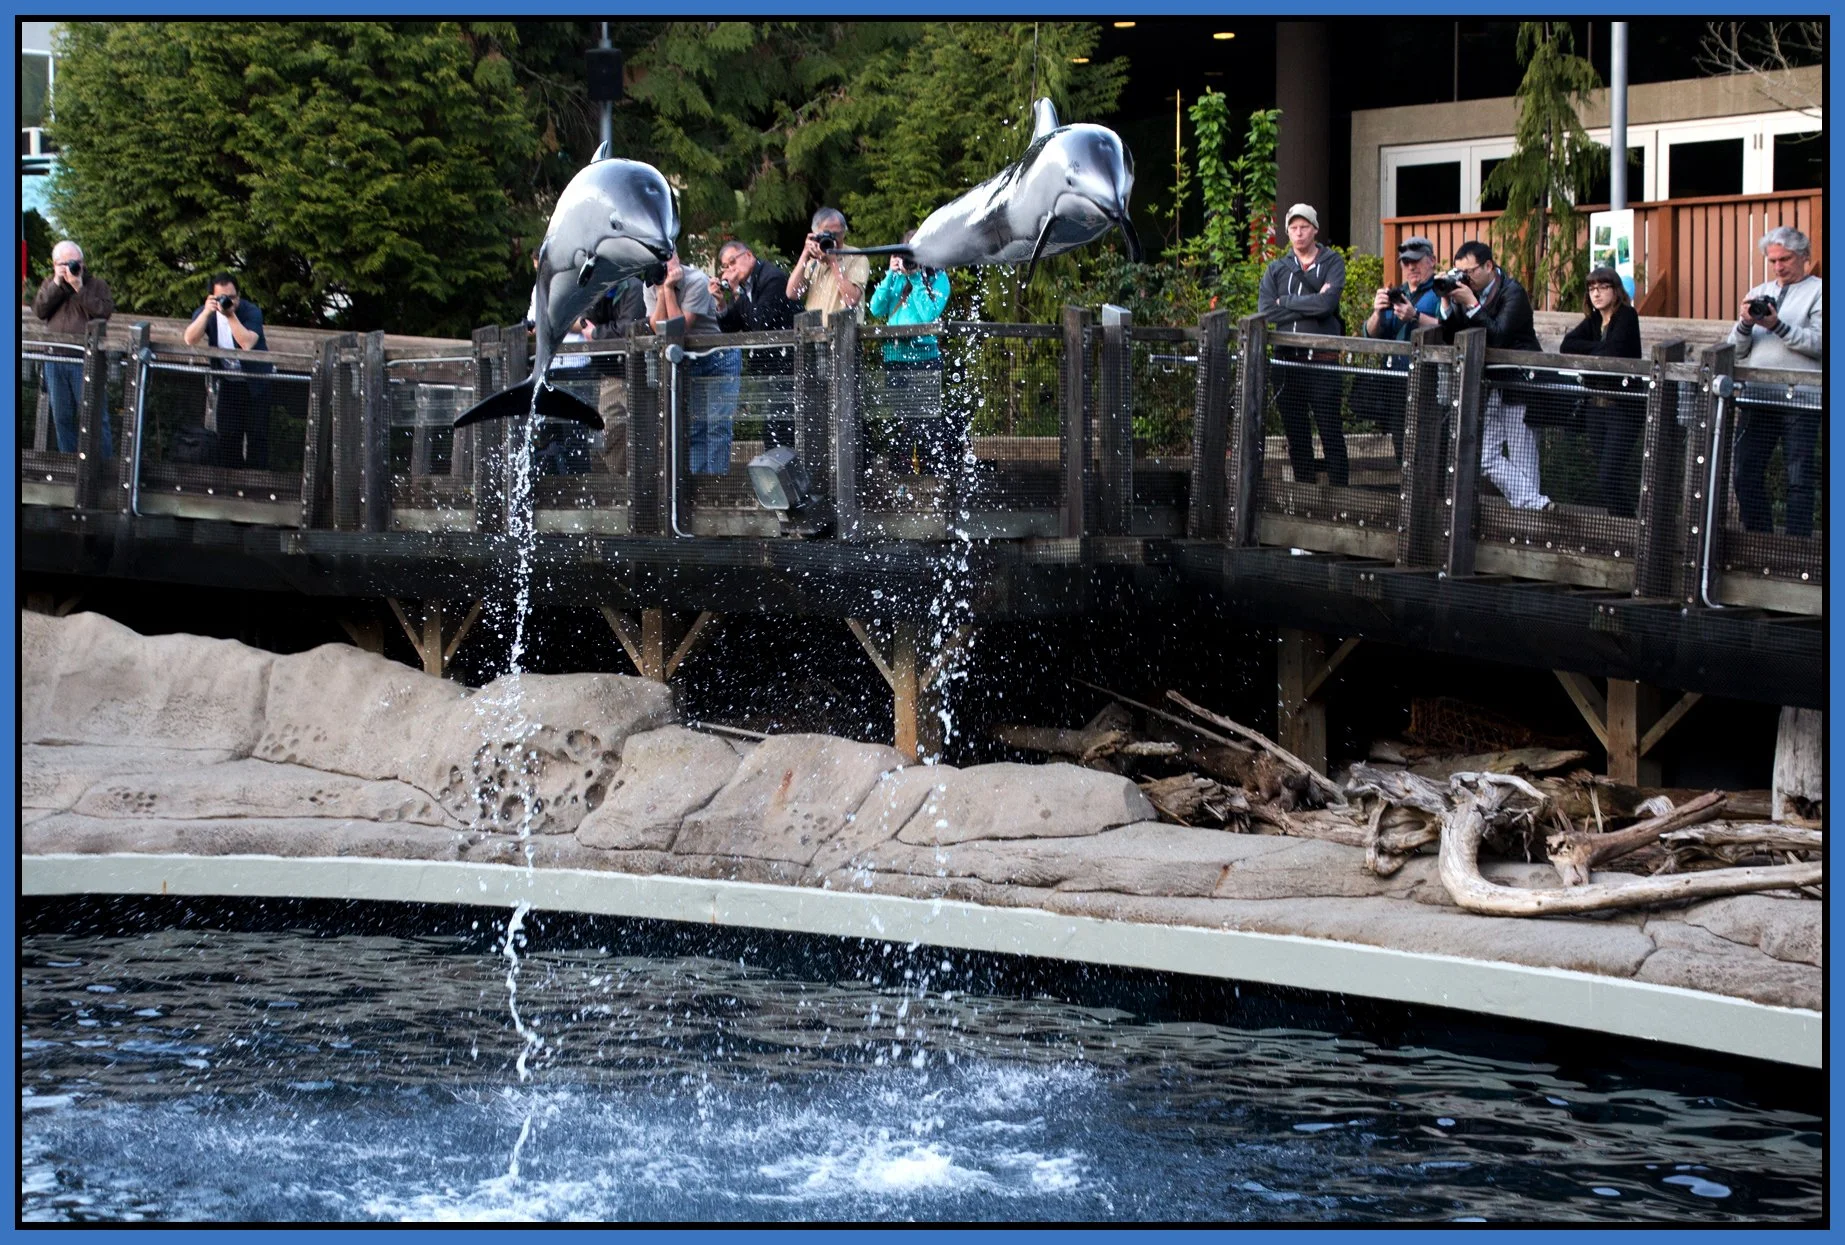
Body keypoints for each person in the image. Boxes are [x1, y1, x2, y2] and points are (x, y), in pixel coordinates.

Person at [1437, 240, 1548, 510]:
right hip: (1492, 385)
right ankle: (1537, 505)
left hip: (1519, 383)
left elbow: (1499, 334)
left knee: (1523, 458)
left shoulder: (1513, 292)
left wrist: (1472, 304)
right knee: (1486, 457)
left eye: (1470, 271)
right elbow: (1452, 337)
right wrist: (1446, 302)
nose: (1465, 278)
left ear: (1489, 265)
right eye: (1458, 272)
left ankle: (1530, 518)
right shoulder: (1467, 292)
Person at [1729, 226, 1823, 538]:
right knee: (1744, 473)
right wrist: (1745, 322)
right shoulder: (1759, 292)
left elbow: (1821, 343)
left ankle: (1797, 550)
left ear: (1805, 257)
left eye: (1786, 259)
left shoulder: (1821, 291)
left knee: (1798, 478)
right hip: (1758, 397)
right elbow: (1736, 350)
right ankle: (1761, 541)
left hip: (1802, 398)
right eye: (1773, 261)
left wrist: (1778, 325)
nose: (1779, 266)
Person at [1257, 203, 1348, 487]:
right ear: (1287, 232)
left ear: (1315, 230)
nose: (1299, 233)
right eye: (1294, 228)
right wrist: (1311, 304)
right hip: (1287, 362)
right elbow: (1267, 311)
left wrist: (1286, 301)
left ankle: (1340, 490)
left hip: (1323, 361)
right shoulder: (1276, 268)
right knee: (1295, 431)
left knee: (1330, 428)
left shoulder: (1332, 262)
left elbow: (1328, 304)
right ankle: (1304, 487)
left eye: (1304, 227)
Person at [646, 250, 741, 475]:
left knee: (717, 425)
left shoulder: (696, 281)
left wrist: (669, 289)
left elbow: (679, 328)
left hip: (719, 357)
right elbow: (659, 329)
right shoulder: (650, 284)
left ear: (677, 258)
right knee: (695, 425)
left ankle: (716, 484)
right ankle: (698, 483)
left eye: (668, 259)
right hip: (691, 360)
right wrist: (663, 289)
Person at [1559, 266, 1644, 516]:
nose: (1596, 293)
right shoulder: (1594, 320)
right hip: (1595, 407)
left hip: (1622, 406)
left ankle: (1627, 523)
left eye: (1603, 287)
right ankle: (1618, 521)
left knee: (1610, 473)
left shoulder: (1627, 316)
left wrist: (1596, 350)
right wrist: (1599, 347)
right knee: (1604, 474)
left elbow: (1614, 351)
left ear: (1616, 291)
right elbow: (1568, 345)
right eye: (1592, 288)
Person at [866, 236, 952, 475]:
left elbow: (927, 315)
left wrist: (915, 277)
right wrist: (890, 274)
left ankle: (932, 478)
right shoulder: (895, 277)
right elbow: (876, 308)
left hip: (925, 359)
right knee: (900, 424)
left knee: (927, 423)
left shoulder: (939, 278)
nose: (911, 260)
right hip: (895, 358)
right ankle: (900, 479)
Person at [711, 239, 804, 449]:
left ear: (749, 256)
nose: (730, 270)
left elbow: (761, 322)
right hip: (767, 370)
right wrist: (721, 303)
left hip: (789, 366)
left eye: (733, 262)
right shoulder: (746, 286)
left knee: (785, 429)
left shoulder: (773, 279)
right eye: (726, 267)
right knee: (770, 429)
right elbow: (730, 326)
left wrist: (737, 292)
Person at [31, 240, 115, 457]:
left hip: (86, 359)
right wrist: (57, 284)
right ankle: (68, 464)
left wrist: (79, 288)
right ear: (54, 265)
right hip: (55, 359)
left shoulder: (96, 285)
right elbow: (39, 310)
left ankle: (103, 465)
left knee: (95, 416)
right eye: (64, 263)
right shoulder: (51, 283)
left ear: (83, 262)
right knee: (62, 416)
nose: (70, 267)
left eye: (74, 262)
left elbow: (103, 312)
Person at [1362, 234, 1442, 460]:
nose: (1410, 267)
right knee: (1402, 447)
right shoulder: (1398, 293)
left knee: (1429, 448)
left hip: (1429, 382)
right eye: (1406, 263)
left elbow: (1450, 329)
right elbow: (1370, 333)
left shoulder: (1442, 292)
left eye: (1416, 261)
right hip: (1396, 383)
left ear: (1432, 261)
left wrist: (1415, 316)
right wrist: (1377, 311)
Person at [183, 273, 273, 469]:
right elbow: (190, 339)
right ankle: (232, 483)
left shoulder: (250, 311)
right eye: (221, 297)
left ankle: (257, 484)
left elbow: (247, 343)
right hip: (229, 383)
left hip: (256, 383)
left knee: (258, 436)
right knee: (228, 436)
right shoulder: (207, 312)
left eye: (232, 297)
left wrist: (230, 314)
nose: (227, 301)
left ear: (238, 296)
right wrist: (207, 312)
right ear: (210, 298)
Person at [785, 206, 870, 325]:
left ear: (844, 232)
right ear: (814, 234)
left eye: (837, 234)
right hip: (815, 336)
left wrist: (833, 262)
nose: (833, 239)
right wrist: (804, 254)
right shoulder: (813, 262)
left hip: (845, 335)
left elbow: (851, 300)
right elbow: (792, 293)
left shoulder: (857, 257)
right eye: (826, 235)